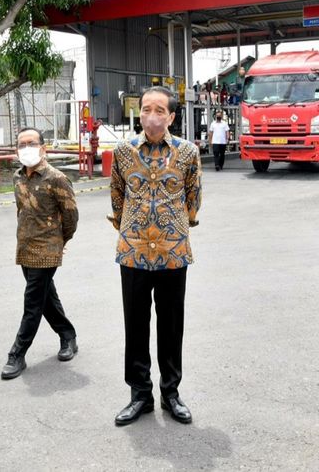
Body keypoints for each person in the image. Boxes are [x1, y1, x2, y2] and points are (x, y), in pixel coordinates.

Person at [108, 86, 202, 426]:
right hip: (132, 252)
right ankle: (139, 395)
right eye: (146, 109)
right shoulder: (123, 151)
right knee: (135, 325)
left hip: (173, 253)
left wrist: (174, 228)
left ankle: (170, 393)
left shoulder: (188, 153)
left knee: (171, 324)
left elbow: (194, 198)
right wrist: (131, 226)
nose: (152, 116)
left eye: (160, 110)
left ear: (172, 116)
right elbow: (117, 194)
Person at [0, 128, 79, 380]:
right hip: (25, 246)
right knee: (45, 297)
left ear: (43, 148)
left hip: (47, 249)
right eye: (21, 144)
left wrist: (60, 241)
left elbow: (71, 217)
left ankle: (17, 354)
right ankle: (68, 336)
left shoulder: (57, 178)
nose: (26, 148)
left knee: (32, 301)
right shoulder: (17, 178)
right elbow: (22, 211)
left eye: (31, 143)